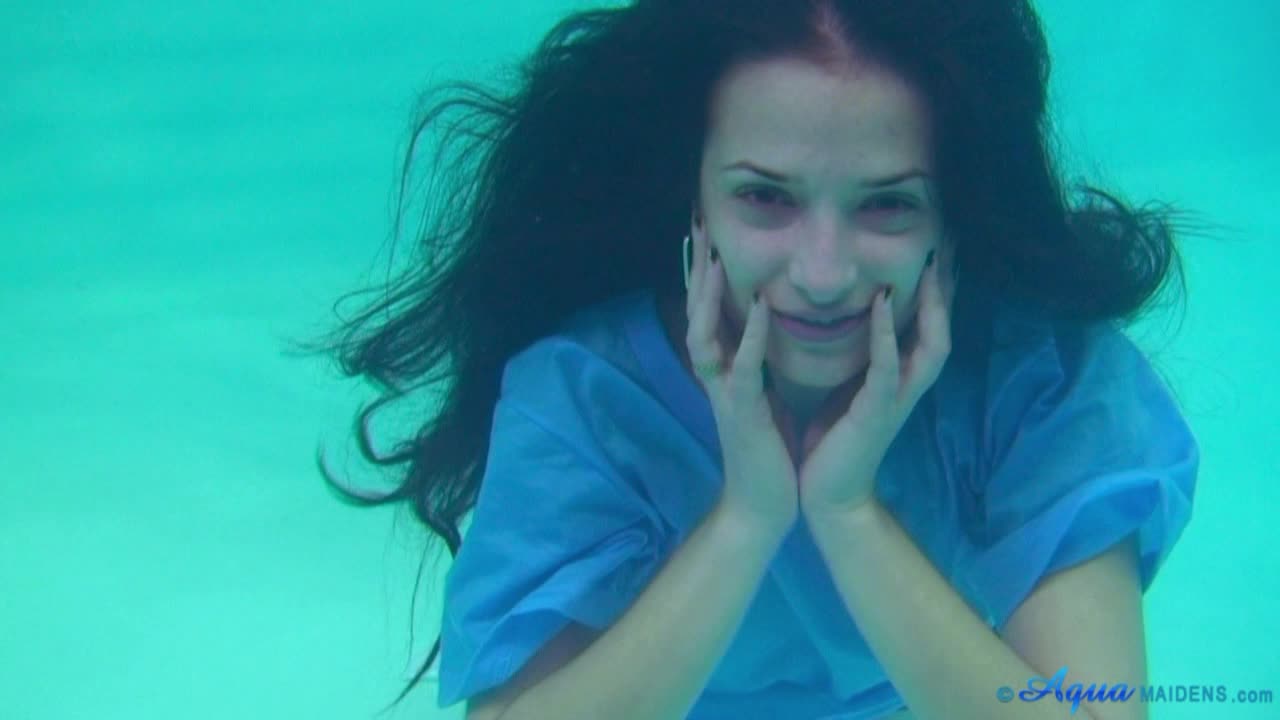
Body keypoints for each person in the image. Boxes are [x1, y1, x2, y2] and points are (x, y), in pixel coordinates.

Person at [296, 1, 1202, 718]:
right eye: (766, 198)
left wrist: (847, 511)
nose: (822, 276)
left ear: (954, 214)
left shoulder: (1043, 383)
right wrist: (746, 517)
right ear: (693, 199)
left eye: (888, 205)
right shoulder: (588, 395)